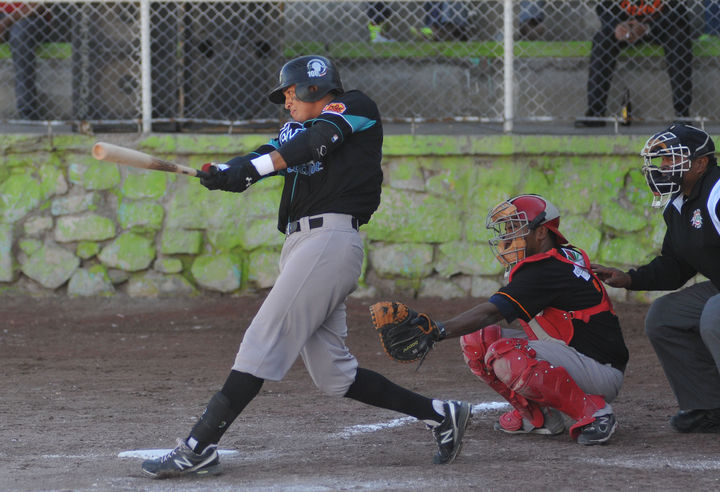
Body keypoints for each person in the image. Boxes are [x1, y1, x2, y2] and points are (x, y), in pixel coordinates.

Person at [140, 55, 471, 479]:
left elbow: (314, 144)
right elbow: (272, 152)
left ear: (315, 87)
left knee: (262, 340)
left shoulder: (355, 107)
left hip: (329, 241)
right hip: (303, 245)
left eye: (291, 93)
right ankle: (441, 415)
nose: (287, 103)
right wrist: (229, 171)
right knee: (334, 375)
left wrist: (253, 168)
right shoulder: (296, 130)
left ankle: (198, 447)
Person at [381, 195, 629, 445]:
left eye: (516, 228)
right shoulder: (557, 257)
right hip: (579, 355)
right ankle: (537, 417)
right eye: (507, 228)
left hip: (599, 372)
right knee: (477, 339)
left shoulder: (546, 269)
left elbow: (491, 312)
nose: (507, 236)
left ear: (541, 232)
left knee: (506, 354)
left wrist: (437, 330)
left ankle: (596, 413)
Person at [593, 123, 720, 434]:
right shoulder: (678, 203)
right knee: (664, 317)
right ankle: (708, 407)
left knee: (715, 315)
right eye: (662, 159)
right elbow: (676, 265)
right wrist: (630, 279)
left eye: (672, 158)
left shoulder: (717, 193)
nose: (663, 166)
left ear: (701, 164)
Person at [575, 1, 693, 128]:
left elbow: (679, 11)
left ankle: (683, 115)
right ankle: (595, 113)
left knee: (679, 38)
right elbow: (603, 6)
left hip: (662, 25)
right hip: (626, 26)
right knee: (602, 40)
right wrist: (616, 26)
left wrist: (647, 27)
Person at [0, 2, 48, 119]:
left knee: (19, 36)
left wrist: (6, 22)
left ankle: (27, 112)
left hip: (30, 15)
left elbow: (38, 5)